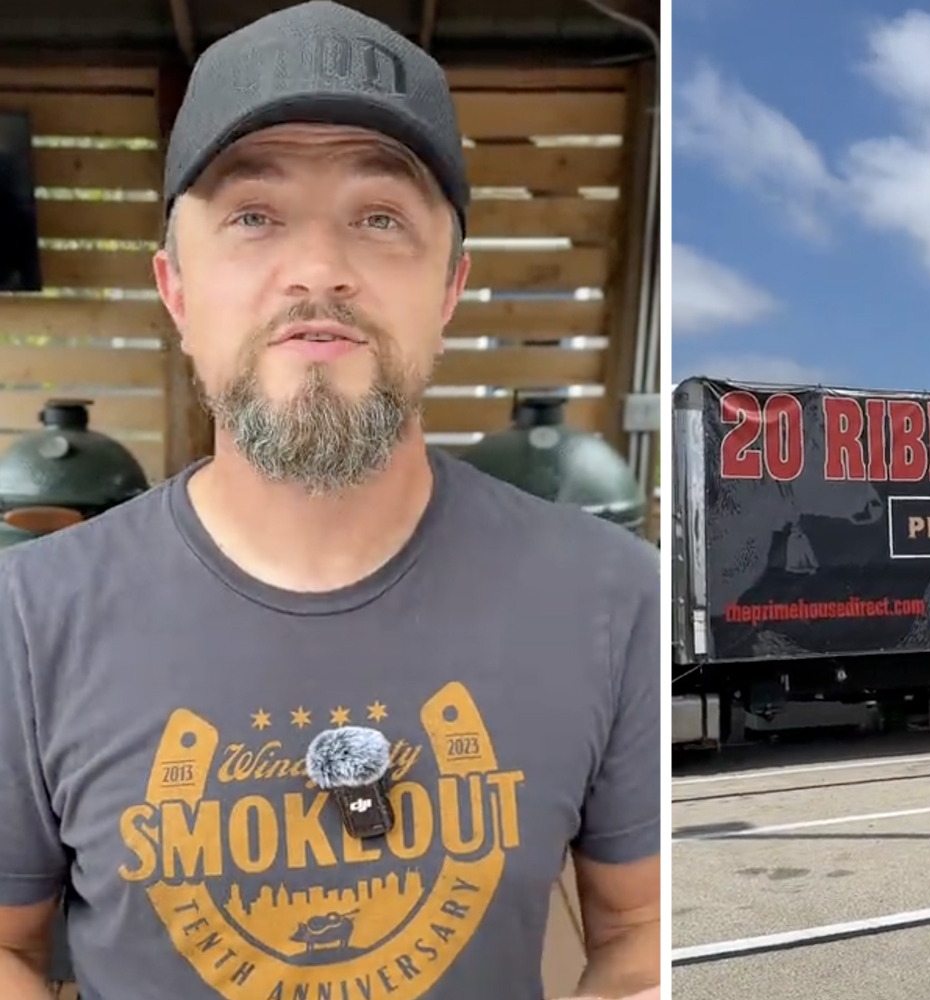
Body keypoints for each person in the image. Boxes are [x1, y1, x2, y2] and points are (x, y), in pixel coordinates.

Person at [0, 4, 660, 999]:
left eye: (378, 216)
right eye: (253, 215)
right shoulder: (25, 617)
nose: (318, 270)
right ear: (176, 291)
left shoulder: (615, 596)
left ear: (448, 289)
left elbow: (644, 931)